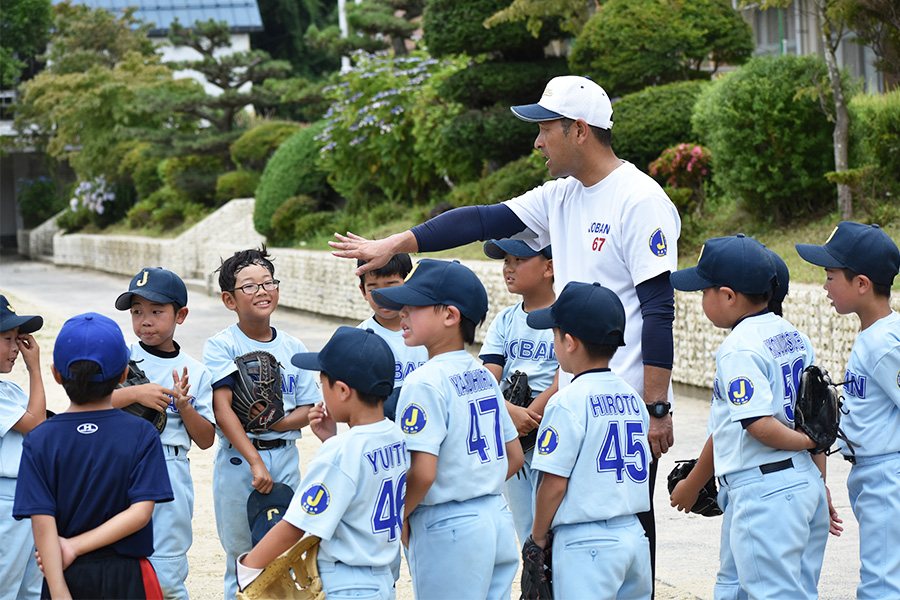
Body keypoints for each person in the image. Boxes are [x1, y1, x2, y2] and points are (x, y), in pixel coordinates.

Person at [331, 76, 681, 578]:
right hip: (571, 396)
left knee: (623, 538)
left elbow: (658, 309)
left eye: (544, 129)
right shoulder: (562, 195)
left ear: (578, 130)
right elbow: (480, 220)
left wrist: (657, 407)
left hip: (621, 407)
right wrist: (395, 244)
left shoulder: (639, 199)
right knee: (563, 547)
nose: (537, 142)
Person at [669, 234, 830, 599]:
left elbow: (758, 426)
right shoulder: (794, 336)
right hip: (802, 481)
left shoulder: (738, 348)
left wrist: (809, 441)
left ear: (728, 296)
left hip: (766, 491)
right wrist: (819, 481)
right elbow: (815, 414)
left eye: (704, 291)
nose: (701, 299)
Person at [371, 258, 524, 599]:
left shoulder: (424, 381)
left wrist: (398, 517)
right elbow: (513, 456)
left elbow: (423, 474)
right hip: (495, 517)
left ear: (450, 316)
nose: (402, 314)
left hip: (448, 526)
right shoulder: (482, 373)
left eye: (413, 307)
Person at [236, 326, 407, 598]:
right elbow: (360, 478)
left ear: (342, 390)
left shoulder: (341, 450)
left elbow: (295, 525)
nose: (321, 391)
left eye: (322, 382)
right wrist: (330, 440)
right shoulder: (395, 435)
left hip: (346, 582)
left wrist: (248, 568)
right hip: (381, 580)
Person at [13, 312, 173, 599]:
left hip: (63, 573)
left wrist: (60, 590)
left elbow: (42, 521)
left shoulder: (40, 439)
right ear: (124, 375)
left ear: (56, 375)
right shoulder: (141, 433)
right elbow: (140, 513)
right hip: (127, 576)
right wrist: (74, 546)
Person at [202, 246, 322, 600]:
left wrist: (278, 423)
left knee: (285, 552)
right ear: (229, 299)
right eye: (249, 286)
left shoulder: (293, 346)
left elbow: (310, 407)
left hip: (285, 457)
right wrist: (254, 459)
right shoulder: (221, 345)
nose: (262, 291)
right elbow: (223, 409)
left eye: (268, 282)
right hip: (240, 460)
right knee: (242, 555)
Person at [527, 281, 652, 599]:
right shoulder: (632, 397)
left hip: (587, 544)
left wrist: (537, 537)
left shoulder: (566, 401)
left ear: (569, 342)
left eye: (555, 334)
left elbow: (554, 483)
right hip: (634, 536)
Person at [796, 222, 900, 598]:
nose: (824, 285)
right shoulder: (874, 335)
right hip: (873, 473)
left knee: (881, 586)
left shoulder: (886, 343)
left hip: (887, 475)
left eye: (830, 275)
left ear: (862, 284)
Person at [112, 267, 216, 599]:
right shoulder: (120, 357)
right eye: (137, 311)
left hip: (169, 466)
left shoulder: (196, 371)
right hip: (121, 465)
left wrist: (184, 406)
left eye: (156, 311)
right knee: (120, 561)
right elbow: (90, 401)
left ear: (180, 314)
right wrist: (135, 394)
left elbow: (205, 439)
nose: (145, 320)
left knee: (167, 570)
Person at [479, 239, 558, 546]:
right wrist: (512, 413)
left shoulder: (566, 314)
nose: (508, 268)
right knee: (524, 522)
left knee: (555, 519)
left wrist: (532, 414)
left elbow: (567, 377)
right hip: (512, 428)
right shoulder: (506, 320)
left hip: (553, 426)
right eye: (505, 261)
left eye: (519, 259)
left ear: (548, 267)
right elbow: (487, 378)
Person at [0, 296, 45, 600]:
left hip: (28, 495)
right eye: (7, 339)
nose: (17, 347)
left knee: (31, 589)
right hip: (6, 500)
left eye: (19, 339)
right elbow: (37, 423)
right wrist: (35, 369)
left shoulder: (10, 390)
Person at [356, 254, 428, 420]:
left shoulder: (430, 334)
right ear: (363, 291)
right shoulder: (359, 339)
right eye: (374, 289)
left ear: (410, 282)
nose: (383, 296)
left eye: (391, 286)